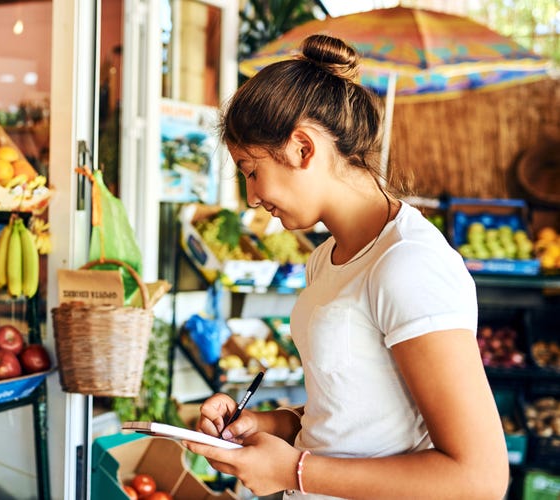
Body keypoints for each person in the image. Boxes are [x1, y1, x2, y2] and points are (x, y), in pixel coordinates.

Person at [183, 34, 509, 499]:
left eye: (251, 171)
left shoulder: (408, 264)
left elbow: (479, 480)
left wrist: (293, 471)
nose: (252, 196)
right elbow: (354, 414)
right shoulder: (327, 259)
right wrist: (267, 423)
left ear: (302, 148)